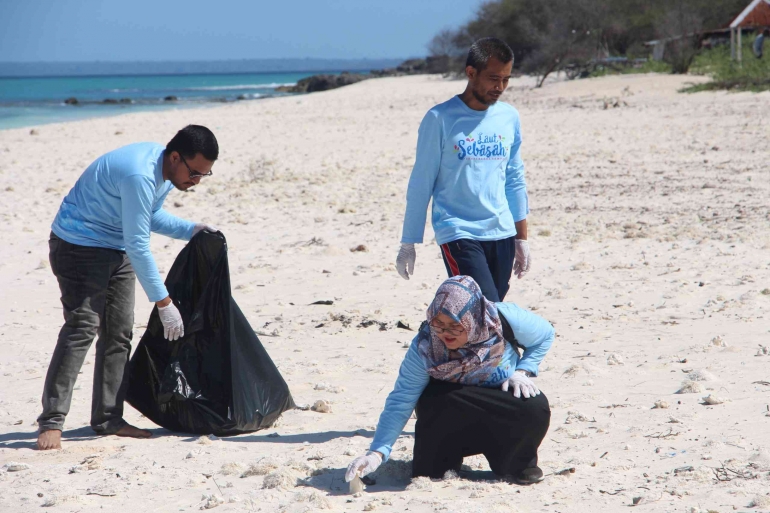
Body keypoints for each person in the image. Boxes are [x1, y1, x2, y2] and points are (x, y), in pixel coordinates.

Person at [36, 125, 220, 450]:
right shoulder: (140, 174)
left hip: (115, 247)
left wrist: (192, 230)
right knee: (82, 328)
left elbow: (148, 217)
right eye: (194, 172)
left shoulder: (164, 172)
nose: (196, 181)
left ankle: (108, 419)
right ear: (175, 157)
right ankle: (51, 422)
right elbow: (138, 242)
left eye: (204, 175)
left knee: (119, 334)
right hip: (77, 245)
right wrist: (164, 303)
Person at [345, 276, 553, 484]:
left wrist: (523, 371)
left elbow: (545, 335)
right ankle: (442, 464)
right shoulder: (425, 346)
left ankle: (516, 465)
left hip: (498, 405)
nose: (445, 334)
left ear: (472, 317)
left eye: (455, 325)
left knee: (533, 405)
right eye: (438, 324)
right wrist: (377, 452)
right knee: (432, 402)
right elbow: (401, 400)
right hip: (452, 412)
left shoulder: (502, 319)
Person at [396, 37, 531, 302]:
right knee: (481, 304)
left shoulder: (508, 117)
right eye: (494, 78)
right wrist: (408, 242)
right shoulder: (440, 118)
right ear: (471, 73)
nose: (500, 87)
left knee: (489, 310)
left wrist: (521, 238)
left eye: (506, 79)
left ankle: (448, 342)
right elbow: (421, 182)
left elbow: (514, 178)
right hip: (458, 230)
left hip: (501, 230)